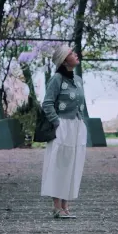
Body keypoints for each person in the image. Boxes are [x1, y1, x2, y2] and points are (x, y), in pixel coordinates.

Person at [40, 43, 88, 218]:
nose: (75, 54)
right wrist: (57, 122)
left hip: (76, 125)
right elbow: (47, 103)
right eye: (71, 53)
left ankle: (66, 205)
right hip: (62, 125)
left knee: (73, 164)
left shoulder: (78, 80)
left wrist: (81, 123)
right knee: (59, 164)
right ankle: (56, 206)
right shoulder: (57, 79)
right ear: (63, 60)